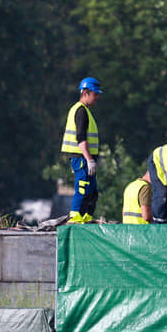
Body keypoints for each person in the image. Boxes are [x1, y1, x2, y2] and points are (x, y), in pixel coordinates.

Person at [60, 77, 102, 224]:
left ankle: (86, 218)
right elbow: (81, 138)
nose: (97, 97)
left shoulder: (85, 111)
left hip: (85, 158)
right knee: (83, 187)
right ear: (85, 92)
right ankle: (75, 218)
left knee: (93, 191)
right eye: (95, 94)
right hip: (81, 158)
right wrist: (89, 159)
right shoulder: (80, 111)